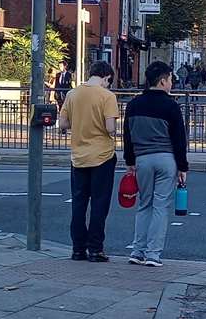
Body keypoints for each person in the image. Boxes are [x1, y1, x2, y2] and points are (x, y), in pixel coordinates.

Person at [123, 61, 189, 267]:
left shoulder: (134, 104)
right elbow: (179, 138)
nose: (171, 83)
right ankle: (153, 254)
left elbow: (128, 135)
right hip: (166, 158)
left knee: (144, 204)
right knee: (160, 206)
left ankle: (137, 250)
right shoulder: (171, 105)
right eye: (170, 79)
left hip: (142, 159)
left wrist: (130, 161)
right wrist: (182, 166)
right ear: (162, 81)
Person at [57, 61, 118, 263]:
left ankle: (77, 249)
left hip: (78, 156)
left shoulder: (72, 94)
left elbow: (63, 123)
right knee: (99, 204)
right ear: (106, 77)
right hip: (102, 155)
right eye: (109, 82)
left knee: (79, 203)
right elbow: (110, 128)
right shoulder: (107, 96)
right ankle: (95, 249)